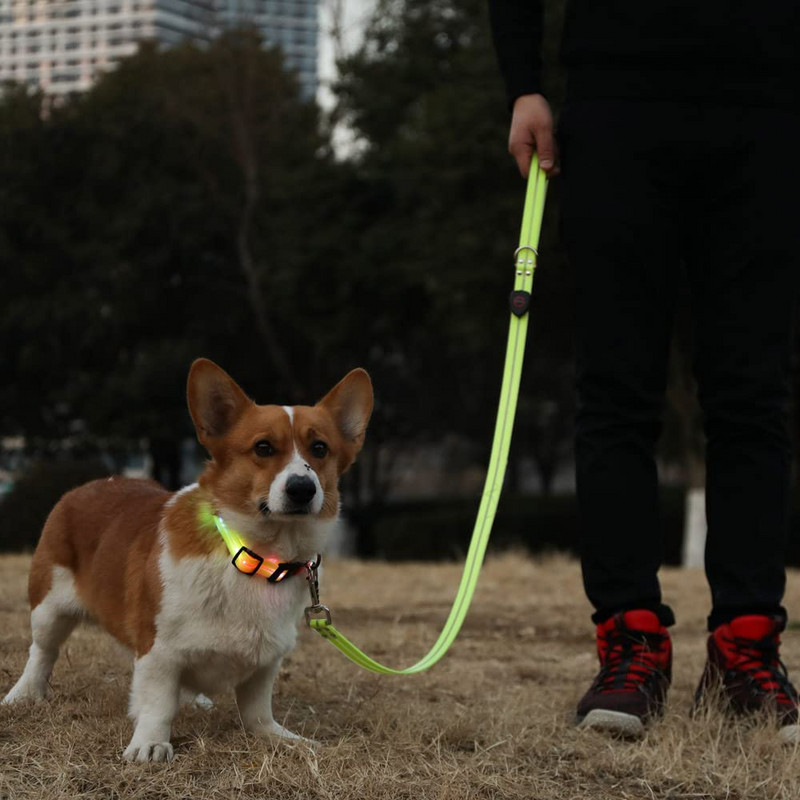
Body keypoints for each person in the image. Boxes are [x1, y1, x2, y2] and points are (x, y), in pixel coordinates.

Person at [488, 0, 800, 740]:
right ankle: (630, 644)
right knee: (616, 395)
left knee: (753, 397)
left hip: (769, 107)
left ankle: (745, 649)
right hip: (616, 101)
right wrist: (522, 84)